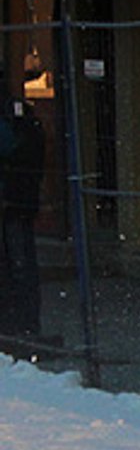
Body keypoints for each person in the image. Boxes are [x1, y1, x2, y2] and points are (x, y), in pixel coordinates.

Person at [0, 86, 47, 345]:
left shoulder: (9, 118)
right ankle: (23, 323)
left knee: (16, 264)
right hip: (19, 200)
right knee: (20, 264)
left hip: (12, 200)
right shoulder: (18, 114)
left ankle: (19, 324)